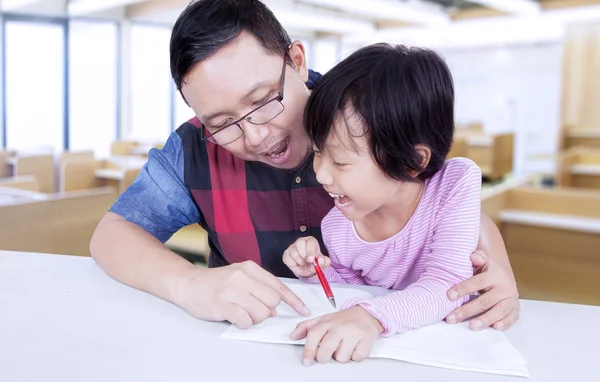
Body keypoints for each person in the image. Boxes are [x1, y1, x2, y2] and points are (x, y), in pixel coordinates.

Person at [90, 0, 519, 334]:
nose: (255, 135)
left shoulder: (363, 115)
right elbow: (112, 235)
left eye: (262, 101)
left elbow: (440, 199)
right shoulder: (192, 148)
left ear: (295, 59)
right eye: (221, 124)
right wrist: (189, 283)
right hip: (248, 343)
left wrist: (494, 266)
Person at [283, 43, 482, 366]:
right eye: (318, 153)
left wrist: (371, 318)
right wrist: (316, 271)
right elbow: (355, 294)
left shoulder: (455, 184)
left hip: (457, 356)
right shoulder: (338, 225)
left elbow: (449, 285)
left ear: (412, 162)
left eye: (341, 162)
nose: (320, 174)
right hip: (386, 361)